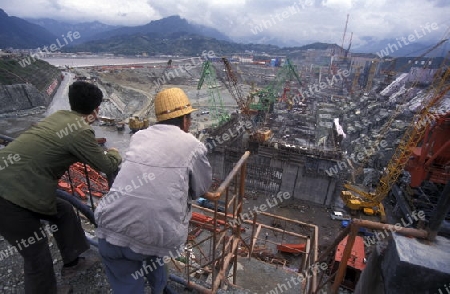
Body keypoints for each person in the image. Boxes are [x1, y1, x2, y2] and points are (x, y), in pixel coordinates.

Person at [0, 81, 122, 294]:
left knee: (64, 210)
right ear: (96, 109)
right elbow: (107, 165)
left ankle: (73, 261)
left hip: (19, 182)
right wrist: (114, 152)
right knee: (36, 254)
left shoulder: (58, 117)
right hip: (10, 195)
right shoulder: (81, 131)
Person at [95, 87, 212, 294]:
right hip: (156, 236)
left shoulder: (139, 136)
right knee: (153, 253)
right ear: (185, 120)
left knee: (126, 282)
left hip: (109, 227)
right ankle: (159, 289)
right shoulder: (193, 145)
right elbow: (200, 189)